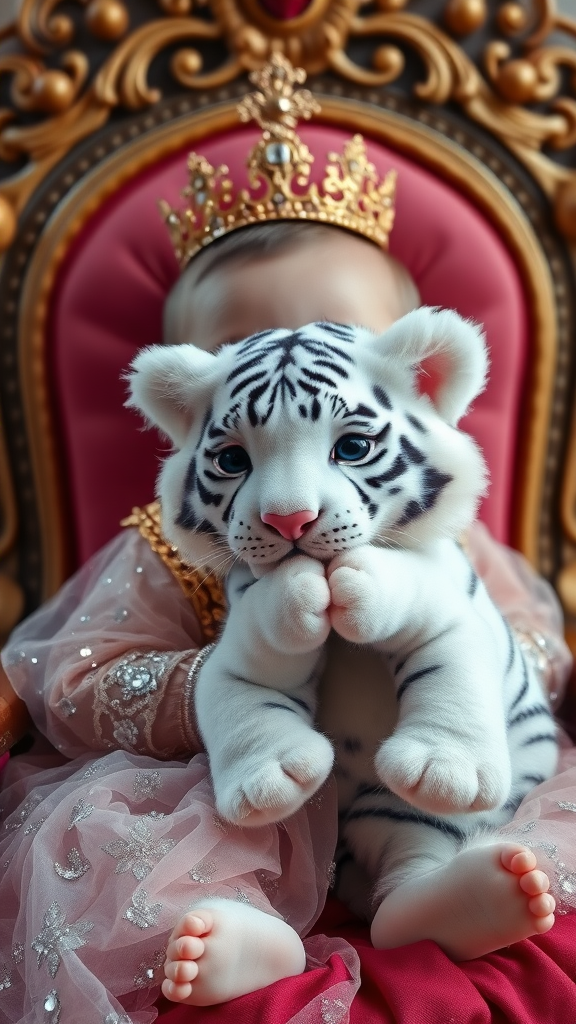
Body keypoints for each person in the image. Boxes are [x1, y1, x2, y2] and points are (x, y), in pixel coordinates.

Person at [0, 57, 574, 1024]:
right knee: (128, 835)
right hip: (241, 785)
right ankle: (241, 928)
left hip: (423, 774)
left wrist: (445, 659)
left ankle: (425, 893)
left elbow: (539, 651)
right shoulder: (170, 544)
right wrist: (223, 679)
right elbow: (80, 677)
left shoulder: (439, 536)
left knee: (520, 814)